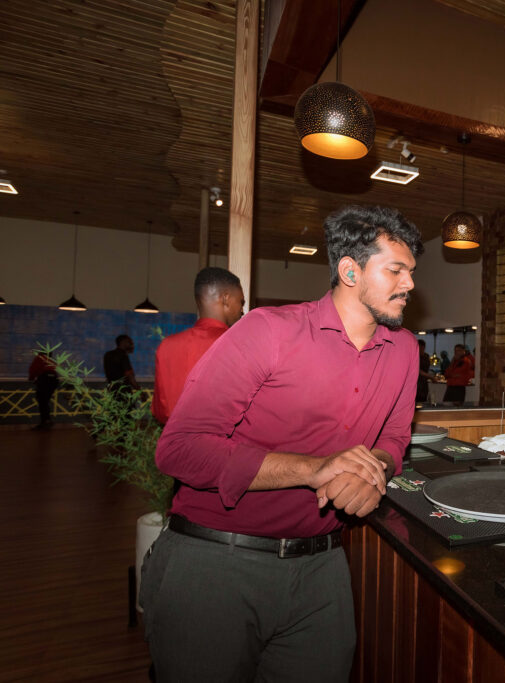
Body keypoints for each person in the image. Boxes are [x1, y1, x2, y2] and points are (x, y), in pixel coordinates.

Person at [140, 205, 423, 681]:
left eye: (411, 272)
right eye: (395, 270)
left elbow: (394, 437)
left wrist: (375, 467)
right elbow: (179, 448)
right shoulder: (269, 330)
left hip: (322, 567)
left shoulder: (406, 350)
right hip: (214, 563)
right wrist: (314, 469)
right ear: (349, 270)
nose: (410, 283)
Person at [151, 267, 245, 424]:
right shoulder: (239, 345)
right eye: (241, 302)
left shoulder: (166, 346)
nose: (242, 310)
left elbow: (160, 412)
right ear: (226, 299)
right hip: (223, 444)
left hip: (175, 443)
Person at [28, 351, 58, 429]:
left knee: (42, 401)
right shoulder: (51, 360)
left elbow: (33, 369)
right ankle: (47, 420)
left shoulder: (40, 358)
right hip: (54, 380)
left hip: (45, 379)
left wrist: (31, 378)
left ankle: (45, 421)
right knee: (45, 401)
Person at [416, 338, 433, 403]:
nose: (421, 349)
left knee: (423, 401)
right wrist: (431, 377)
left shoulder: (426, 356)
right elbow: (417, 370)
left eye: (422, 347)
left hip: (423, 384)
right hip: (416, 383)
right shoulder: (415, 356)